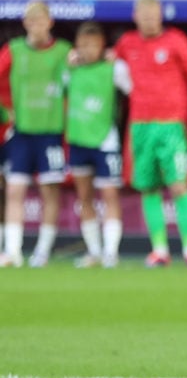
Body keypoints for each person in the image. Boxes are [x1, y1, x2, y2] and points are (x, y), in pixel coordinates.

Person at [115, 0, 187, 268]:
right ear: (135, 16)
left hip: (171, 125)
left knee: (179, 185)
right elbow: (111, 63)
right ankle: (159, 250)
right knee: (148, 188)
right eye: (143, 14)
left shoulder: (176, 41)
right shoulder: (127, 43)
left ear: (160, 15)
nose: (148, 19)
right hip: (140, 126)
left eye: (152, 14)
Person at [0, 1, 71, 268]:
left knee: (49, 191)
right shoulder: (14, 50)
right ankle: (13, 251)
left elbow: (79, 83)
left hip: (51, 133)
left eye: (41, 20)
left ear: (49, 22)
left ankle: (42, 250)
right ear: (25, 23)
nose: (37, 25)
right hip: (21, 133)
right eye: (32, 21)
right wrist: (7, 110)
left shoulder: (64, 52)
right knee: (14, 190)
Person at [65, 21, 132, 269]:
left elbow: (135, 89)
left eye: (92, 44)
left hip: (105, 141)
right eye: (82, 44)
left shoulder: (114, 69)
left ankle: (110, 253)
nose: (87, 49)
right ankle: (93, 251)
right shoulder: (68, 69)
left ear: (102, 45)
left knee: (110, 195)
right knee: (84, 197)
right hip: (78, 140)